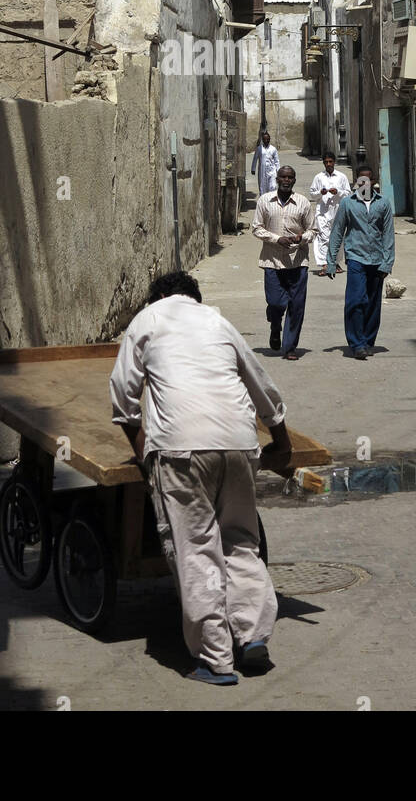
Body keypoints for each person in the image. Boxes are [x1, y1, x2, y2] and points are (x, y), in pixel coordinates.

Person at [110, 271, 292, 685]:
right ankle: (252, 637)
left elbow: (123, 398)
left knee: (197, 550)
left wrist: (144, 454)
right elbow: (263, 386)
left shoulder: (147, 319)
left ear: (157, 296)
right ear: (193, 297)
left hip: (181, 449)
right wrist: (281, 444)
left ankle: (215, 660)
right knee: (241, 542)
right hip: (240, 445)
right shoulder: (217, 321)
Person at [325, 163, 395, 361]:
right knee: (355, 301)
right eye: (361, 179)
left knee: (373, 303)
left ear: (374, 182)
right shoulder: (348, 203)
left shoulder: (383, 204)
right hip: (356, 258)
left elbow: (388, 235)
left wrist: (387, 263)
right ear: (356, 182)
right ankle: (356, 344)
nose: (365, 183)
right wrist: (331, 261)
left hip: (377, 260)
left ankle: (368, 341)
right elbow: (337, 232)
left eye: (369, 179)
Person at [251, 164, 314, 360]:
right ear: (277, 179)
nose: (286, 180)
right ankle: (275, 324)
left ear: (294, 180)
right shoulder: (264, 201)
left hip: (298, 262)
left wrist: (300, 238)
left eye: (290, 177)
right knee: (276, 303)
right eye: (283, 177)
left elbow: (313, 230)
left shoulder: (303, 203)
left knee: (296, 306)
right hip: (272, 261)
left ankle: (290, 347)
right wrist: (276, 239)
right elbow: (256, 228)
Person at [309, 152, 352, 273]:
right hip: (322, 212)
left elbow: (348, 194)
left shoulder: (341, 177)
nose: (328, 164)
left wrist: (337, 192)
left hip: (338, 211)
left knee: (337, 237)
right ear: (323, 163)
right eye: (326, 162)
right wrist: (320, 193)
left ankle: (335, 263)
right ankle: (324, 264)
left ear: (334, 162)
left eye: (330, 162)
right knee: (323, 237)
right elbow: (312, 193)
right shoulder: (318, 177)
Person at [250, 130, 279, 197]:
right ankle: (263, 202)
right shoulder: (259, 149)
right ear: (262, 140)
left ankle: (272, 201)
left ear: (269, 139)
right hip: (262, 171)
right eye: (265, 139)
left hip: (272, 171)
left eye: (268, 139)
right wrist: (253, 168)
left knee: (273, 186)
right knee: (262, 187)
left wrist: (278, 170)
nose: (266, 140)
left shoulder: (273, 149)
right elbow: (255, 159)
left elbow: (276, 161)